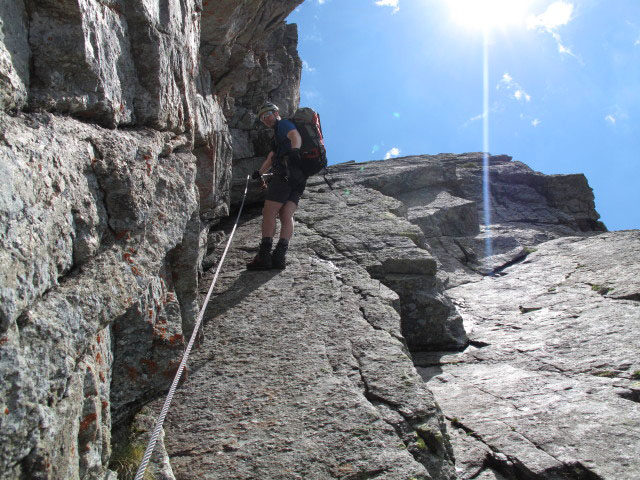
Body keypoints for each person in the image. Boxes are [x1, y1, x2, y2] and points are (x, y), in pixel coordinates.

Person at [246, 101, 306, 270]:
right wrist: (260, 172)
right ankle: (279, 256)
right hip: (299, 178)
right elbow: (271, 158)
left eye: (267, 115)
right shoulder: (277, 137)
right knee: (287, 214)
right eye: (262, 118)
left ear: (276, 113)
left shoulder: (284, 124)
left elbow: (295, 136)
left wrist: (294, 152)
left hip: (286, 173)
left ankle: (264, 256)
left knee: (269, 211)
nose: (265, 119)